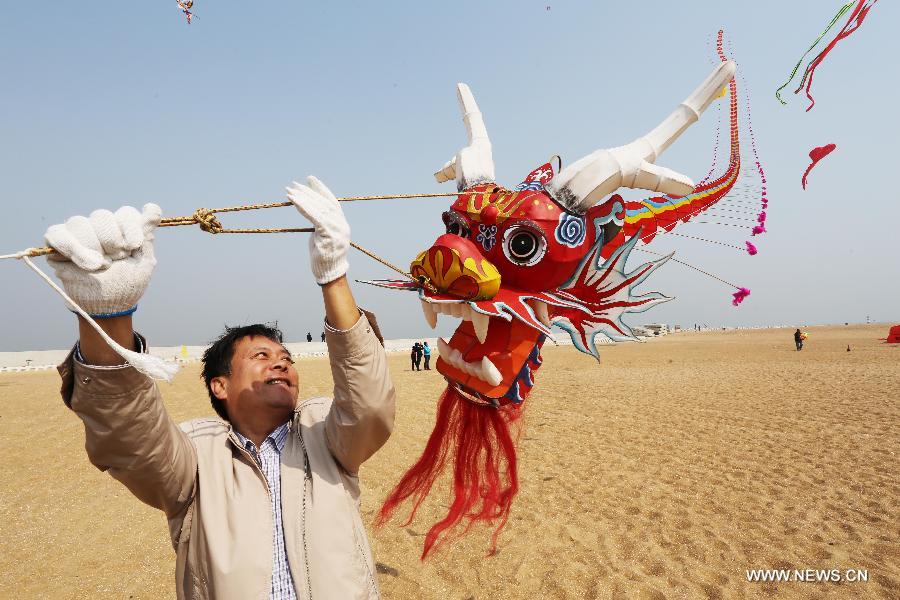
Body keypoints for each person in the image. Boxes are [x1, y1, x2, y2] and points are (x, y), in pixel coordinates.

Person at [46, 176, 395, 599]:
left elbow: (370, 405)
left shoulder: (325, 433)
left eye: (285, 356)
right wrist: (106, 315)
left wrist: (334, 275)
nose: (281, 361)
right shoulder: (194, 458)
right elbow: (129, 441)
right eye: (261, 357)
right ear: (220, 386)